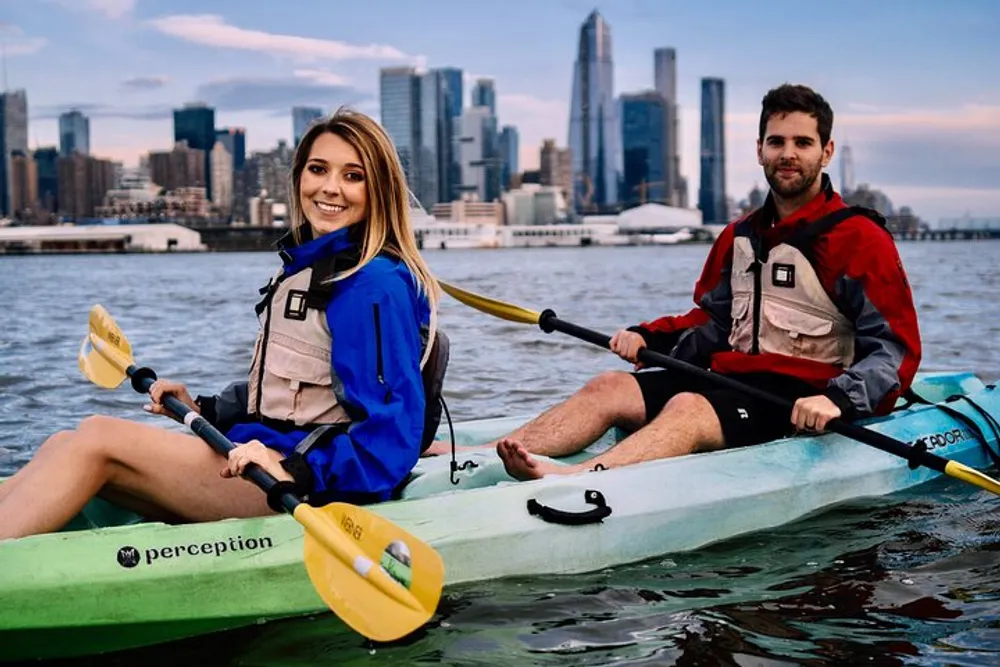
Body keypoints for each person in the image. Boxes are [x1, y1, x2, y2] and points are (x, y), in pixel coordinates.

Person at [0, 109, 445, 540]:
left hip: (305, 489)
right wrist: (206, 408)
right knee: (63, 440)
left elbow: (390, 433)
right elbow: (292, 394)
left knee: (96, 439)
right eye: (317, 169)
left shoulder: (373, 285)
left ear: (379, 190)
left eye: (353, 176)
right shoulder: (309, 267)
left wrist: (294, 470)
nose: (330, 188)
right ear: (299, 178)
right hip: (260, 457)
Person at [491, 83, 922, 481]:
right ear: (759, 150)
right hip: (734, 381)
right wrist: (648, 339)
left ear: (825, 152)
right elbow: (713, 323)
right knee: (609, 386)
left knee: (688, 409)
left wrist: (840, 400)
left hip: (806, 397)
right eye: (776, 142)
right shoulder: (738, 236)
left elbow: (893, 350)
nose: (788, 154)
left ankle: (576, 477)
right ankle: (483, 454)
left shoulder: (861, 239)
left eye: (802, 143)